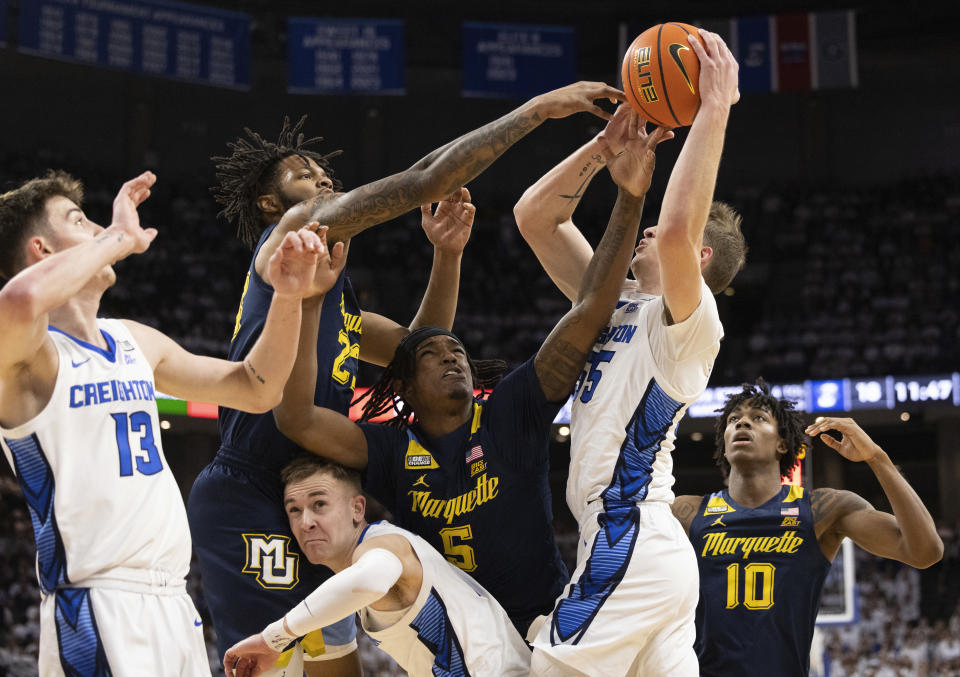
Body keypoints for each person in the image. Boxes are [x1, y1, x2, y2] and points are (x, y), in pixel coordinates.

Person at [188, 79, 624, 673]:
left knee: (335, 665)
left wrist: (446, 255)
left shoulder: (336, 298)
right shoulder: (287, 239)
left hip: (322, 490)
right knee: (265, 664)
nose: (322, 181)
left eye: (325, 175)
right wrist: (536, 112)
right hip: (252, 484)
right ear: (272, 203)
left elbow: (418, 354)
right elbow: (425, 182)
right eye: (303, 173)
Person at [272, 103, 660, 637]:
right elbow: (296, 418)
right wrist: (311, 301)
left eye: (456, 350)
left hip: (544, 625)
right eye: (432, 355)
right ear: (404, 385)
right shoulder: (388, 449)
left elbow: (591, 308)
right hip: (459, 639)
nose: (452, 356)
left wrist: (630, 196)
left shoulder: (511, 409)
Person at [0, 170, 340, 675]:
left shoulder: (135, 340)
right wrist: (119, 236)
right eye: (80, 220)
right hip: (97, 605)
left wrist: (287, 297)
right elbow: (21, 301)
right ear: (42, 251)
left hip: (173, 605)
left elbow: (256, 387)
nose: (98, 229)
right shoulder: (26, 358)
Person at [513, 31, 744, 676]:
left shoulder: (690, 325)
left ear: (699, 261)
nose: (644, 234)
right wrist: (601, 149)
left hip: (629, 536)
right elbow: (535, 218)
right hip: (634, 547)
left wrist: (713, 108)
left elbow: (673, 230)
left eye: (658, 238)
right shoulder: (612, 303)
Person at [671, 381, 944, 677]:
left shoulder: (821, 510)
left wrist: (876, 458)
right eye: (734, 419)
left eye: (758, 417)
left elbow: (925, 551)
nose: (743, 422)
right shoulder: (687, 512)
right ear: (724, 445)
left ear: (783, 443)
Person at [222, 455, 532, 677]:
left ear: (357, 508)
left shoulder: (383, 544)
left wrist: (274, 637)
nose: (306, 522)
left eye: (319, 504)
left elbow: (371, 578)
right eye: (294, 510)